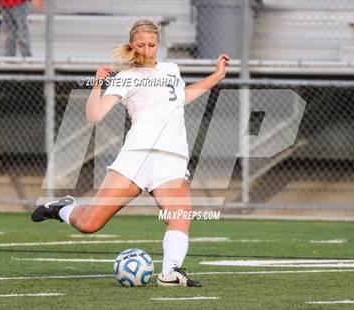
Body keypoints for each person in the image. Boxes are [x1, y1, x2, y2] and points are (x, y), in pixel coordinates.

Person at [31, 19, 229, 287]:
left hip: (172, 157)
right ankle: (63, 208)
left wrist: (216, 76)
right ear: (131, 45)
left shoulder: (171, 69)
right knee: (90, 224)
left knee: (180, 217)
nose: (147, 49)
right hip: (138, 155)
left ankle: (170, 273)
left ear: (158, 44)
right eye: (141, 45)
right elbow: (95, 115)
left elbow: (181, 98)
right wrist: (98, 84)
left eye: (152, 44)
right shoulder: (126, 75)